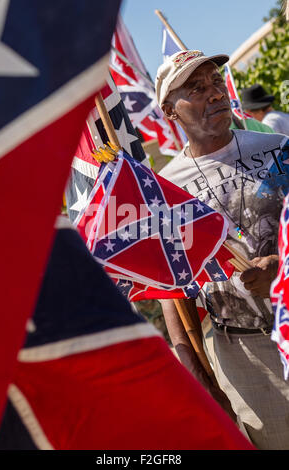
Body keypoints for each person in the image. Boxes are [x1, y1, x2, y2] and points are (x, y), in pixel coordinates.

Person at [155, 49, 289, 450]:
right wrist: (203, 384)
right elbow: (170, 295)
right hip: (245, 358)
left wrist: (281, 268)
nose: (214, 93)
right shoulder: (165, 191)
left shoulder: (280, 151)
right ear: (169, 111)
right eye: (196, 88)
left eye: (216, 82)